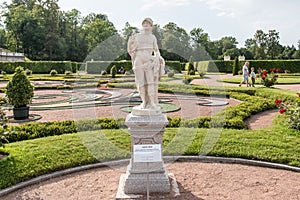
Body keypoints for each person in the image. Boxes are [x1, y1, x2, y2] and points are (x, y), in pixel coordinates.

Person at [127, 18, 165, 110]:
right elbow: (130, 50)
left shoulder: (153, 37)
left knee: (150, 82)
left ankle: (152, 102)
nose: (145, 24)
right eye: (144, 23)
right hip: (139, 58)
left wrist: (157, 57)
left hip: (149, 60)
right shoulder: (137, 36)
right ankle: (144, 102)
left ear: (151, 26)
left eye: (147, 23)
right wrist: (130, 43)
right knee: (140, 82)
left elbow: (156, 50)